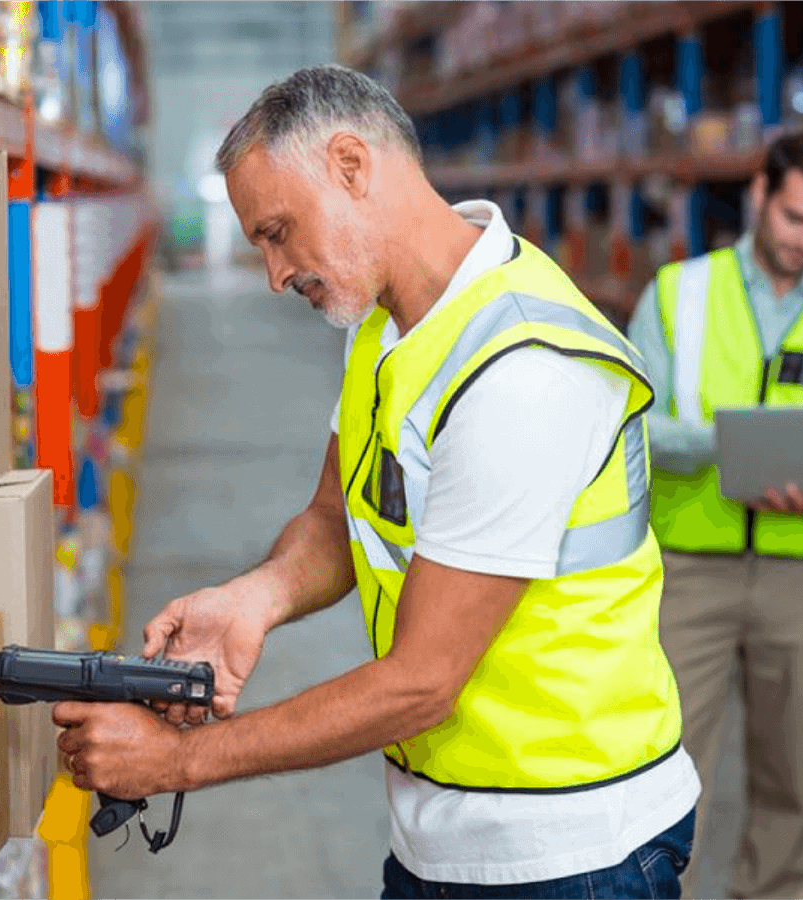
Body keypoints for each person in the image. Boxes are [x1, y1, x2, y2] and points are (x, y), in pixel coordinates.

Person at [52, 64, 701, 900]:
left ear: (352, 166)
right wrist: (258, 598)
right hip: (440, 834)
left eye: (278, 231)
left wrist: (178, 760)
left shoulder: (523, 369)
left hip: (569, 851)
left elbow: (421, 681)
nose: (275, 274)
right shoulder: (389, 328)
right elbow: (339, 516)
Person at [627, 130, 803, 900]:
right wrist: (731, 445)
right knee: (670, 780)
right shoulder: (678, 294)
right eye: (793, 219)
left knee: (792, 780)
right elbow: (632, 427)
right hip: (690, 571)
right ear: (758, 195)